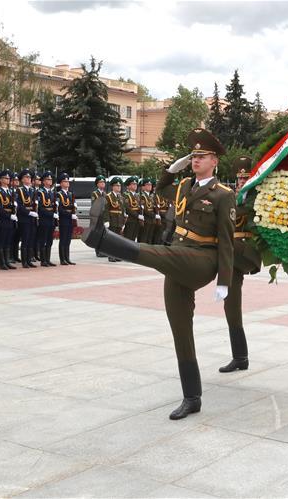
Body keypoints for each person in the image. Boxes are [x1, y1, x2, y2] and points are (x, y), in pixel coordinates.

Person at [82, 128, 235, 420]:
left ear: (214, 160)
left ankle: (105, 239)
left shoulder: (223, 195)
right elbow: (162, 188)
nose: (196, 160)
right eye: (193, 156)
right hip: (177, 260)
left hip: (202, 259)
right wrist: (170, 169)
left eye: (201, 156)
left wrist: (224, 281)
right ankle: (192, 397)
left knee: (162, 254)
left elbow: (227, 241)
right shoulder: (184, 187)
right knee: (180, 330)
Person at [221, 157, 260, 373]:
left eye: (245, 178)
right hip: (232, 254)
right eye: (238, 179)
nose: (241, 182)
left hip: (245, 251)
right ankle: (240, 357)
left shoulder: (254, 199)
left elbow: (240, 213)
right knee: (231, 305)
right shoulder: (234, 197)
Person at [0, 170, 18, 270]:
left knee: (8, 241)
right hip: (2, 219)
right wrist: (9, 216)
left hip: (10, 220)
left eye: (8, 178)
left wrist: (15, 209)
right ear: (0, 180)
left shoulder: (11, 191)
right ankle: (2, 263)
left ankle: (7, 261)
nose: (7, 180)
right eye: (5, 178)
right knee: (1, 241)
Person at [16, 170, 38, 268]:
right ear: (22, 179)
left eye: (29, 178)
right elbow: (19, 206)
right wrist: (29, 212)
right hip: (24, 218)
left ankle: (29, 260)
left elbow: (35, 204)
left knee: (31, 240)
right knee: (25, 240)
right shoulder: (19, 190)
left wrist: (35, 213)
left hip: (32, 219)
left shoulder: (33, 190)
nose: (28, 179)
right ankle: (24, 261)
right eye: (26, 177)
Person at [35, 171, 58, 267]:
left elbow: (54, 206)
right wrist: (51, 214)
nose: (50, 181)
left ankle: (48, 259)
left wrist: (55, 215)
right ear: (43, 182)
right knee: (43, 240)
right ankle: (43, 260)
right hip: (44, 219)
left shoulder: (52, 193)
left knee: (49, 240)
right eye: (48, 179)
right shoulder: (40, 193)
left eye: (51, 179)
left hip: (51, 220)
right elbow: (40, 208)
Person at [103, 177, 125, 262]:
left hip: (119, 221)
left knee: (118, 239)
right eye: (116, 185)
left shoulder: (121, 197)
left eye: (119, 186)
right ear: (113, 187)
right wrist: (106, 220)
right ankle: (111, 256)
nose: (118, 187)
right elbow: (106, 209)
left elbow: (122, 210)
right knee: (111, 240)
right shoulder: (108, 196)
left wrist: (123, 222)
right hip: (112, 220)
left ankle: (116, 255)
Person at [57, 172, 77, 265]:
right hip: (63, 219)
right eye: (65, 181)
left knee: (68, 239)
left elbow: (72, 207)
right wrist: (70, 215)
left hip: (70, 220)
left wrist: (74, 210)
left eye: (68, 181)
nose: (67, 183)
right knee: (63, 239)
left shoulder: (70, 194)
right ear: (61, 183)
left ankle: (67, 258)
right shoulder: (59, 194)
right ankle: (62, 259)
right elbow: (60, 209)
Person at [91, 175, 107, 257]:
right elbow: (95, 205)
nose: (102, 184)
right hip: (97, 217)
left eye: (103, 182)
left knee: (103, 235)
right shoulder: (95, 193)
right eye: (101, 182)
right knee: (97, 235)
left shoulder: (105, 193)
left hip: (104, 217)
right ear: (97, 184)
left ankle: (102, 250)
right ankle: (98, 251)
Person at [122, 176, 142, 242]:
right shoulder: (126, 195)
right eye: (133, 184)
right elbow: (128, 208)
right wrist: (137, 215)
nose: (135, 186)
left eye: (136, 184)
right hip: (130, 219)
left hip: (137, 220)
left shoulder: (137, 195)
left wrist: (141, 215)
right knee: (128, 238)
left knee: (133, 238)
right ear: (128, 186)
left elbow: (139, 206)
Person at [9, 174, 22, 263]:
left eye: (18, 180)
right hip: (10, 217)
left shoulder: (19, 191)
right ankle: (10, 256)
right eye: (14, 180)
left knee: (17, 238)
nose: (16, 181)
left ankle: (15, 255)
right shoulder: (10, 191)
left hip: (18, 217)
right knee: (10, 238)